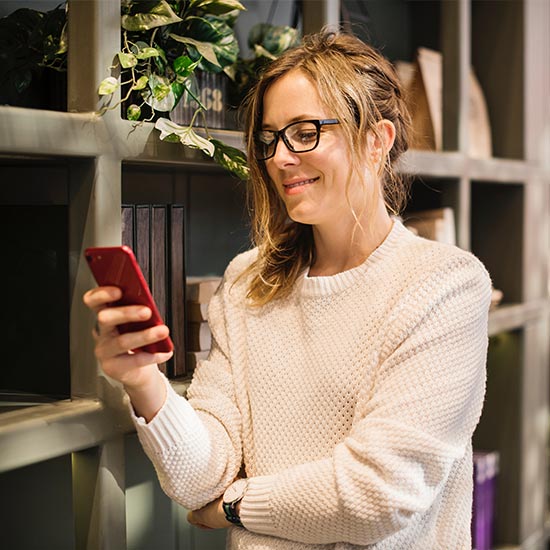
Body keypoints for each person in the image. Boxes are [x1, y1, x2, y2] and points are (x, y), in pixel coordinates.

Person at [84, 30, 492, 549]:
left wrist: (234, 507)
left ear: (377, 140)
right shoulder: (247, 282)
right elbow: (199, 476)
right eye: (271, 137)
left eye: (304, 132)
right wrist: (144, 381)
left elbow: (376, 495)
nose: (279, 157)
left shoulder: (445, 285)